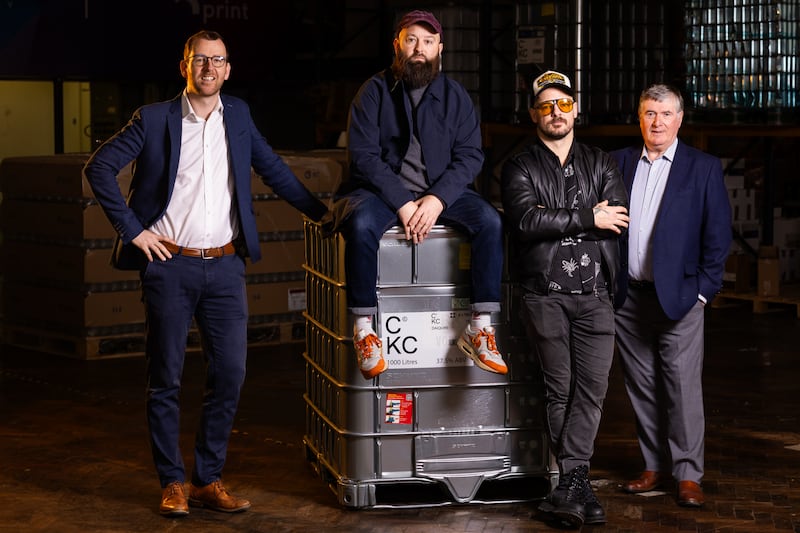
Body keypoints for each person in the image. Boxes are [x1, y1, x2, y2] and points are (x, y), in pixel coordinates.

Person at [83, 30, 329, 517]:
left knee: (231, 373)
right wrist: (134, 231)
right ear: (184, 66)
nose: (209, 68)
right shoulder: (153, 119)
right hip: (169, 265)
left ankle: (206, 480)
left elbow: (273, 169)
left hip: (225, 266)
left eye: (217, 60)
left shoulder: (237, 115)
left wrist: (324, 214)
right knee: (166, 378)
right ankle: (172, 482)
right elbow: (99, 167)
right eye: (200, 60)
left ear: (228, 69)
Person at [334, 9, 507, 379]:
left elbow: (470, 155)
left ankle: (480, 326)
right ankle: (364, 328)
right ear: (397, 44)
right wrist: (403, 201)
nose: (419, 48)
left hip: (441, 192)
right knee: (361, 224)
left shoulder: (455, 95)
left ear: (439, 48)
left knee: (490, 221)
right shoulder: (374, 91)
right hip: (384, 191)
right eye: (411, 39)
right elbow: (362, 156)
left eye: (428, 42)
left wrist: (436, 199)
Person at [500, 70, 630, 528]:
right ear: (534, 113)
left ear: (576, 109)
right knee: (561, 389)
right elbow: (526, 223)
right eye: (545, 106)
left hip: (596, 295)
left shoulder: (602, 162)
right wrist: (586, 216)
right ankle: (578, 483)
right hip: (545, 296)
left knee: (591, 391)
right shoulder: (519, 165)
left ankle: (570, 486)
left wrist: (572, 217)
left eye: (563, 104)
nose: (555, 113)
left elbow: (614, 217)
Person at [611, 84, 732, 508]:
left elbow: (718, 238)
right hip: (628, 300)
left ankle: (687, 474)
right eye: (649, 113)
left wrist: (702, 293)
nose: (657, 122)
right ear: (639, 118)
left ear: (679, 119)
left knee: (682, 388)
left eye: (665, 114)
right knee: (641, 387)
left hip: (680, 298)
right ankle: (653, 466)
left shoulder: (702, 168)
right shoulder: (620, 163)